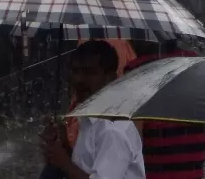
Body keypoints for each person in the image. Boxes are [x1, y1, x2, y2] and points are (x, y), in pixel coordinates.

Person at [40, 40, 146, 179]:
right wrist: (63, 146)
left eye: (89, 72)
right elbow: (86, 166)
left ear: (111, 78)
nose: (79, 79)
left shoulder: (113, 130)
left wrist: (64, 164)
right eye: (75, 71)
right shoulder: (91, 118)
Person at [123, 42, 205, 179]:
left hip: (155, 170)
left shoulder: (136, 70)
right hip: (191, 168)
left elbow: (135, 137)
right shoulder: (194, 63)